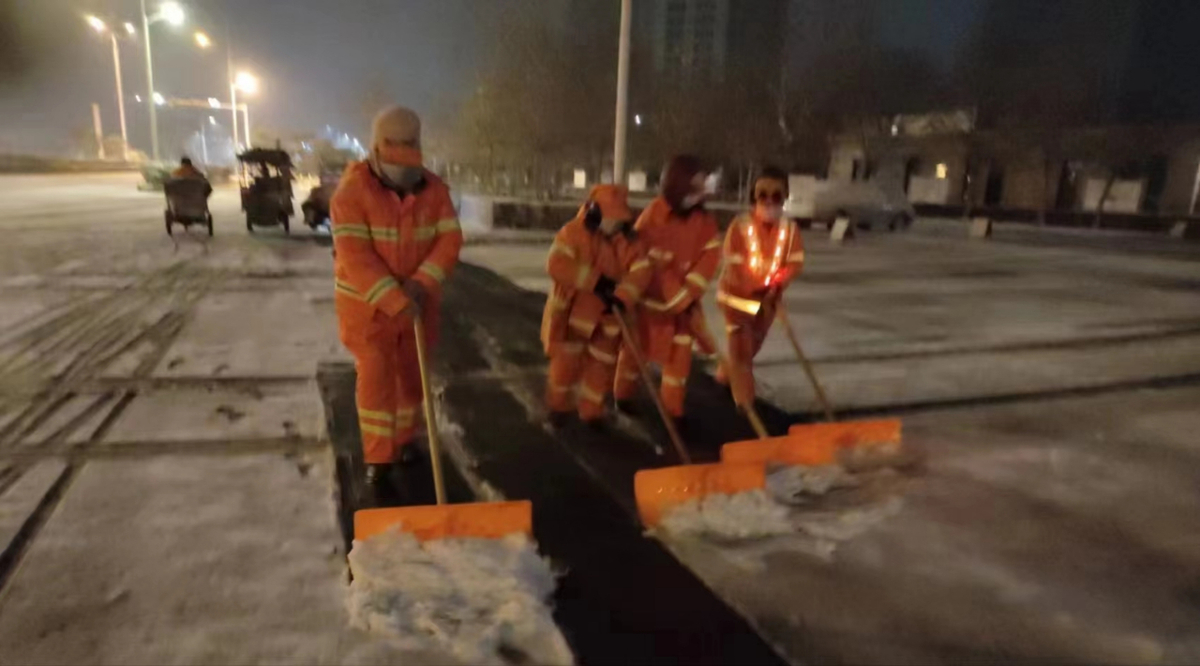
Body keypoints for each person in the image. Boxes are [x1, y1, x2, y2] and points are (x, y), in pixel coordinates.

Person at [329, 105, 462, 495]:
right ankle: (378, 458)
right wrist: (395, 298)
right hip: (368, 309)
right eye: (397, 170)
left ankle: (405, 443)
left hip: (418, 306)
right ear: (376, 154)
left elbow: (449, 240)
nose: (406, 181)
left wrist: (421, 283)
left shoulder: (434, 190)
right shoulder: (351, 193)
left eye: (412, 168)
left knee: (411, 380)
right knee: (376, 380)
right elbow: (355, 256)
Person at [613, 155, 720, 432]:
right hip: (649, 306)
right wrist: (674, 294)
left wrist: (689, 294)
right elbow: (642, 260)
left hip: (682, 312)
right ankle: (623, 396)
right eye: (693, 188)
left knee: (678, 362)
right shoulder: (652, 217)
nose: (698, 196)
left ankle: (672, 412)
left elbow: (709, 258)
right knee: (633, 355)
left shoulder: (704, 222)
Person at [541, 185, 651, 429]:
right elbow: (557, 264)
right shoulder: (572, 233)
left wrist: (622, 297)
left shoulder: (628, 242)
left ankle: (592, 413)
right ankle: (558, 408)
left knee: (600, 370)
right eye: (610, 218)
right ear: (595, 212)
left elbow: (641, 272)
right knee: (564, 368)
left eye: (618, 219)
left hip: (607, 319)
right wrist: (595, 281)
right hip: (572, 317)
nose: (614, 224)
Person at [716, 166, 804, 407]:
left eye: (776, 196)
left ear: (784, 197)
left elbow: (794, 263)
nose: (768, 201)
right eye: (762, 194)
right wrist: (756, 288)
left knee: (750, 349)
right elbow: (734, 265)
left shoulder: (790, 229)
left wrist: (775, 287)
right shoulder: (740, 226)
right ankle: (745, 407)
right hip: (736, 301)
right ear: (753, 195)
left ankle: (724, 377)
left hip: (766, 305)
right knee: (742, 354)